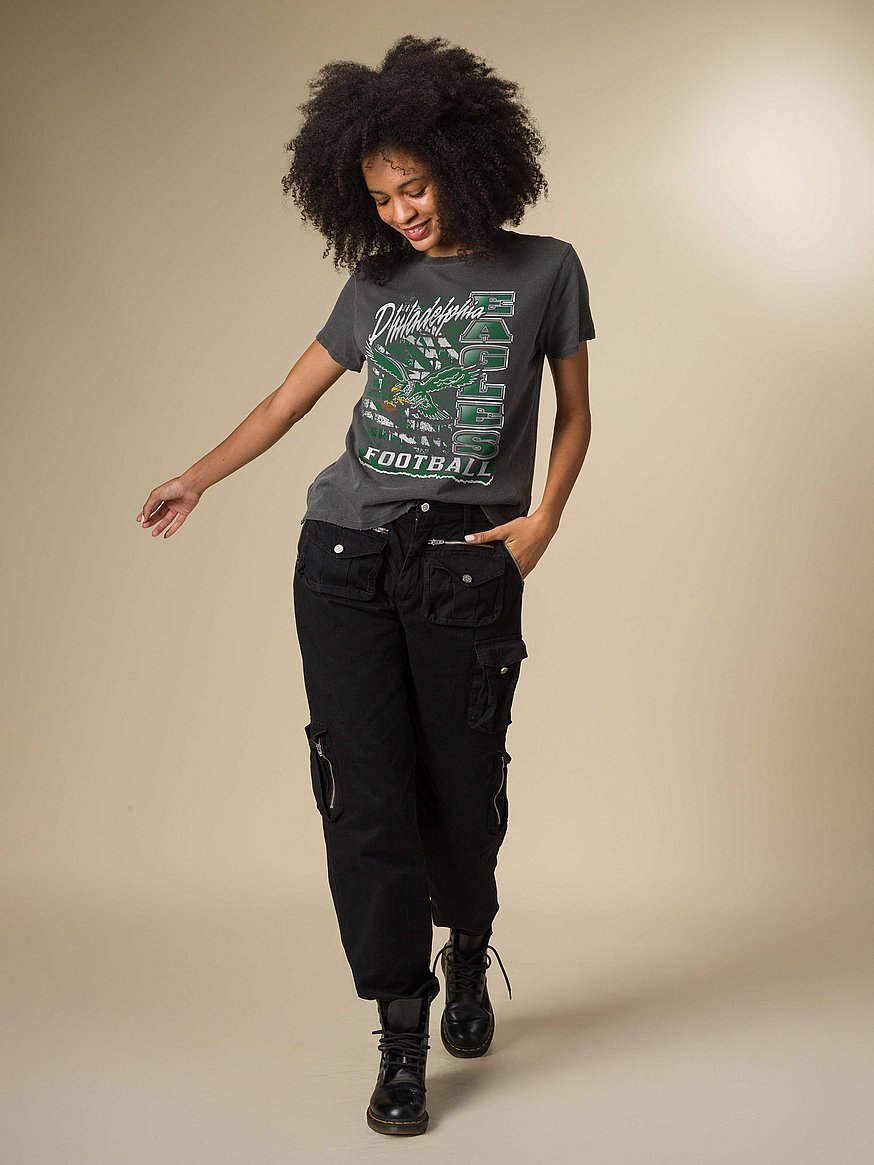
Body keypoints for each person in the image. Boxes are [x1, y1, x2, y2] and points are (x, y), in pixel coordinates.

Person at [136, 34, 595, 1137]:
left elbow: (577, 414)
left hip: (465, 564)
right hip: (344, 558)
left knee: (463, 792)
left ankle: (467, 942)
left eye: (415, 188)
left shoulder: (547, 268)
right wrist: (196, 475)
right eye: (382, 199)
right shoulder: (376, 283)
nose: (402, 214)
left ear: (466, 163)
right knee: (363, 798)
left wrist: (541, 521)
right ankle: (400, 1029)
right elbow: (287, 401)